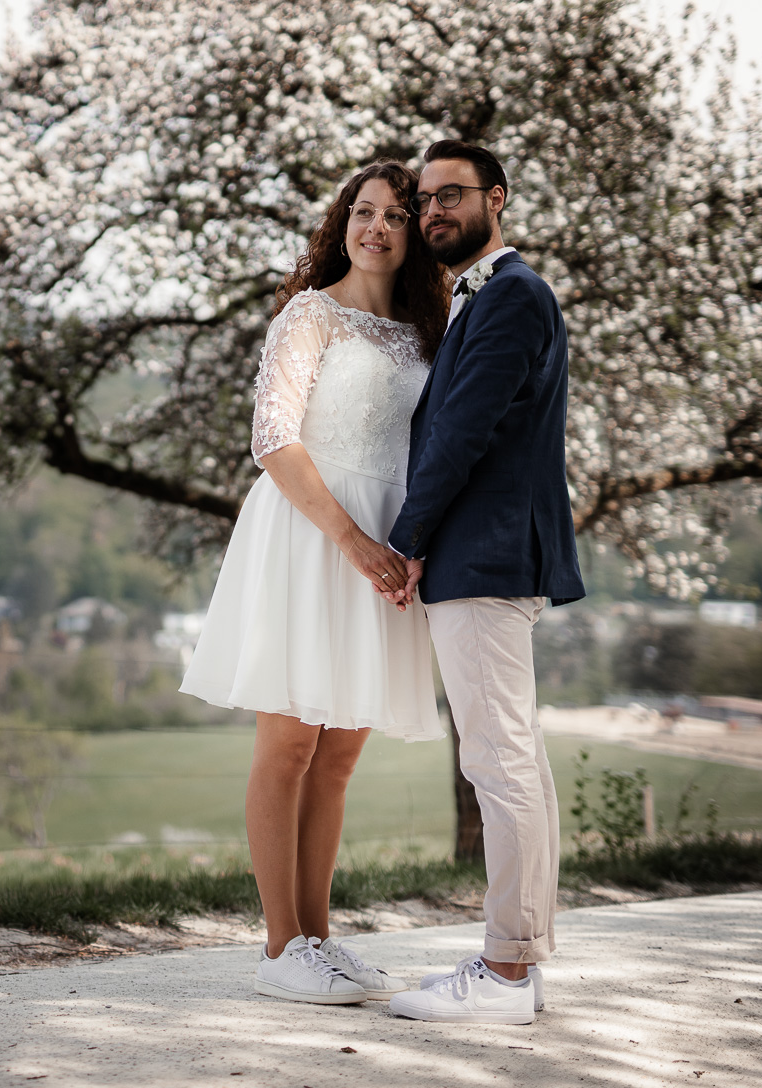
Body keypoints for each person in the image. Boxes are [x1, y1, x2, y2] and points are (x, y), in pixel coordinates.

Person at [181, 159, 449, 1005]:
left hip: (385, 544)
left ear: (415, 234)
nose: (377, 228)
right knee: (289, 745)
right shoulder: (311, 314)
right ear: (343, 222)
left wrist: (405, 544)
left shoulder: (422, 332)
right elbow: (274, 439)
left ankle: (320, 941)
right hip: (309, 534)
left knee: (337, 759)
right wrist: (352, 540)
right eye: (364, 211)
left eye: (396, 216)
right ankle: (277, 948)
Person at [384, 140, 586, 1025]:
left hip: (483, 556)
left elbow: (460, 432)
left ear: (496, 199)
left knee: (497, 761)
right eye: (424, 198)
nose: (433, 212)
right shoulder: (488, 298)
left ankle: (504, 973)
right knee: (515, 760)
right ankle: (520, 955)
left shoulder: (511, 296)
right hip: (494, 556)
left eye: (451, 195)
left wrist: (404, 542)